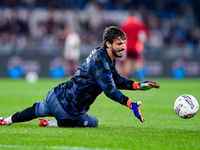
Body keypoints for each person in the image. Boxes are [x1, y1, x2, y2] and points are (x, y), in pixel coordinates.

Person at [0, 26, 160, 128]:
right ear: (109, 44)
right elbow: (109, 89)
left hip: (55, 95)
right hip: (69, 111)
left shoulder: (103, 55)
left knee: (37, 109)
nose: (123, 47)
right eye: (119, 44)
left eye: (124, 43)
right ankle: (53, 124)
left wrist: (137, 86)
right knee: (93, 122)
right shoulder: (101, 62)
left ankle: (6, 120)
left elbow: (117, 79)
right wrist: (130, 103)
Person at [119, 11, 150, 80]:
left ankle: (128, 75)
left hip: (127, 46)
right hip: (136, 46)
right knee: (137, 60)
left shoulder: (125, 23)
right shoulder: (138, 23)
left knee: (128, 60)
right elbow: (146, 32)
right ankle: (138, 74)